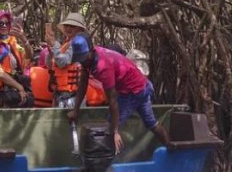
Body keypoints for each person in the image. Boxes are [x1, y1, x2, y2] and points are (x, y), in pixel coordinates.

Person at [65, 14, 171, 152]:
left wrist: (114, 131)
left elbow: (113, 101)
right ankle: (170, 146)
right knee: (152, 123)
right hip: (141, 85)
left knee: (108, 129)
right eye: (80, 58)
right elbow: (83, 83)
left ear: (91, 51)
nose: (82, 61)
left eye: (84, 57)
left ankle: (108, 168)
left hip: (133, 91)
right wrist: (75, 110)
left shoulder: (103, 67)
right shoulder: (89, 58)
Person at [45, 13, 88, 108]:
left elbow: (63, 62)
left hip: (73, 95)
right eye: (66, 25)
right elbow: (49, 65)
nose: (68, 28)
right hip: (61, 93)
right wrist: (51, 51)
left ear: (80, 30)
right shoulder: (66, 44)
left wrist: (54, 44)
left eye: (72, 26)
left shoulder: (78, 44)